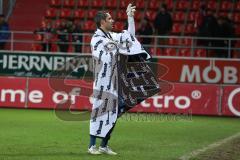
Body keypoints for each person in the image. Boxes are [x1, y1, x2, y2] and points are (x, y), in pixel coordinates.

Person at [88, 4, 161, 155]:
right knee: (99, 111)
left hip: (115, 81)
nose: (112, 20)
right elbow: (109, 53)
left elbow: (129, 38)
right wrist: (119, 48)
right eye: (109, 18)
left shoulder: (110, 36)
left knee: (114, 113)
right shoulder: (97, 39)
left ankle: (104, 145)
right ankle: (92, 146)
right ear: (102, 22)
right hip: (103, 82)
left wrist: (130, 17)